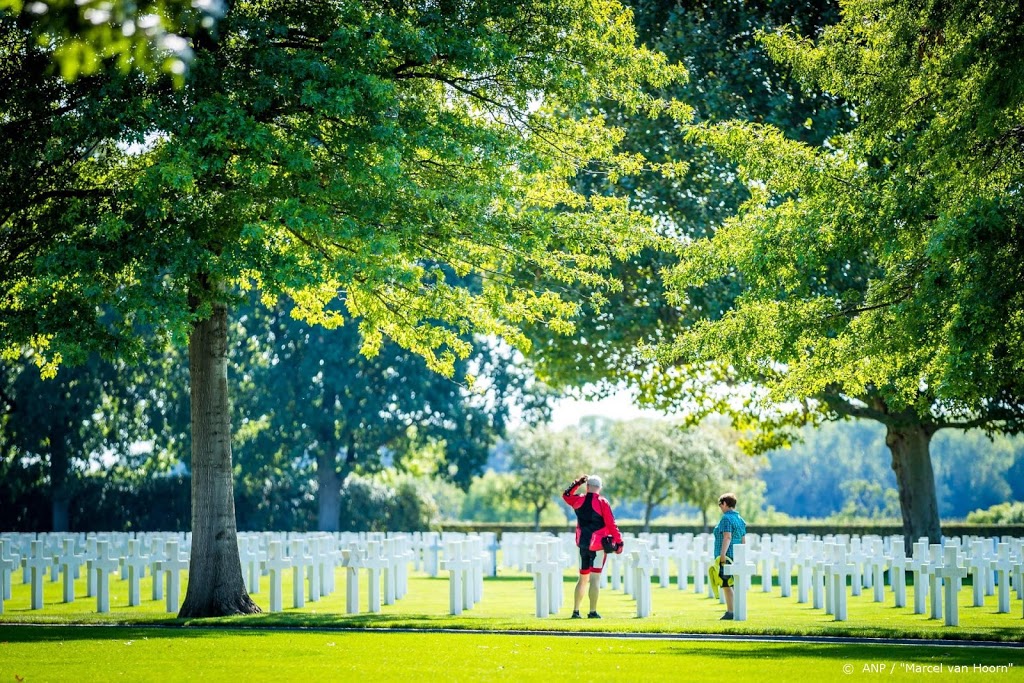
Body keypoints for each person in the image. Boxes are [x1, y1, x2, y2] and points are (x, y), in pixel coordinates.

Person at [562, 473, 623, 619]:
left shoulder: (578, 500)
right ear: (599, 488)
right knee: (595, 579)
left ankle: (576, 611)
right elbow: (611, 524)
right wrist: (619, 542)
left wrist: (577, 482)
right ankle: (592, 611)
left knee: (582, 579)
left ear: (587, 486)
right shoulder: (602, 502)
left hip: (582, 544)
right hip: (598, 546)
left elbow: (566, 495)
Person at [713, 491, 747, 620]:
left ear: (725, 503)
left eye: (720, 504)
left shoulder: (726, 518)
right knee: (732, 583)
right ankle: (734, 610)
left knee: (726, 583)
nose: (720, 507)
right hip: (738, 556)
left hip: (727, 556)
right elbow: (743, 540)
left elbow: (727, 537)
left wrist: (722, 555)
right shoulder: (740, 519)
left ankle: (731, 611)